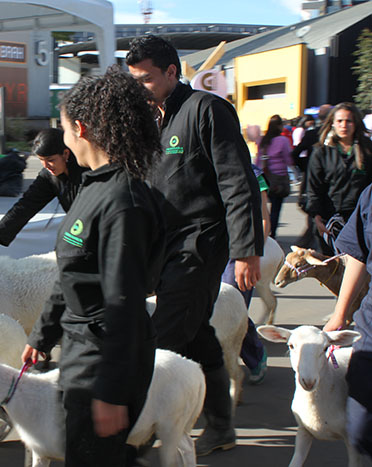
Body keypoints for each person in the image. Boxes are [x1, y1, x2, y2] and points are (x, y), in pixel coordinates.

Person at [126, 34, 264, 456]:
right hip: (164, 249)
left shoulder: (208, 110)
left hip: (200, 247)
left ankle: (140, 436)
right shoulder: (152, 120)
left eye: (146, 80)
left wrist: (245, 249)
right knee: (200, 338)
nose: (139, 89)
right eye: (134, 81)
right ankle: (221, 425)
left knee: (160, 340)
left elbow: (238, 184)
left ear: (172, 72)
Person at [22, 65, 165, 467]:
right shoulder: (92, 186)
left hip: (105, 361)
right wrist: (40, 336)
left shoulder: (125, 203)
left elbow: (124, 302)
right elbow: (69, 273)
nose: (64, 137)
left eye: (64, 128)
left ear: (80, 129)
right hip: (80, 351)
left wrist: (110, 390)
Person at [323, 183, 372, 459]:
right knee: (360, 425)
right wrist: (339, 314)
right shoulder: (370, 196)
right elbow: (358, 254)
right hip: (371, 322)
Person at [0, 128, 88, 246]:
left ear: (66, 153)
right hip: (79, 234)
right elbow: (27, 204)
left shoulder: (89, 170)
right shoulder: (48, 176)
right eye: (41, 160)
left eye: (51, 160)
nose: (46, 166)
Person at [222, 164, 271, 384]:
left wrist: (252, 253)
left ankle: (255, 355)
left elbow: (263, 218)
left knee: (233, 308)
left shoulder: (254, 172)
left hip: (239, 253)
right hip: (208, 249)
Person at [306, 102, 372, 256]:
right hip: (330, 219)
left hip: (360, 218)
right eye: (340, 121)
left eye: (349, 121)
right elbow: (313, 187)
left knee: (356, 268)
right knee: (332, 270)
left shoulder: (367, 149)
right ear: (332, 123)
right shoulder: (321, 151)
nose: (344, 125)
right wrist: (316, 217)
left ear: (355, 123)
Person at [293, 105, 332, 248]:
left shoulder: (312, 134)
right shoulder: (319, 136)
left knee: (315, 222)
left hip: (315, 183)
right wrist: (307, 168)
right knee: (315, 221)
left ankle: (303, 248)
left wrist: (305, 168)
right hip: (319, 185)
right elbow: (295, 153)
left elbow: (295, 154)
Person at [256, 114, 294, 239]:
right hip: (279, 178)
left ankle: (264, 232)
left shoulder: (263, 141)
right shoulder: (282, 140)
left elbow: (258, 160)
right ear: (279, 126)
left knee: (264, 209)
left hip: (265, 178)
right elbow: (288, 159)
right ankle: (272, 234)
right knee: (276, 209)